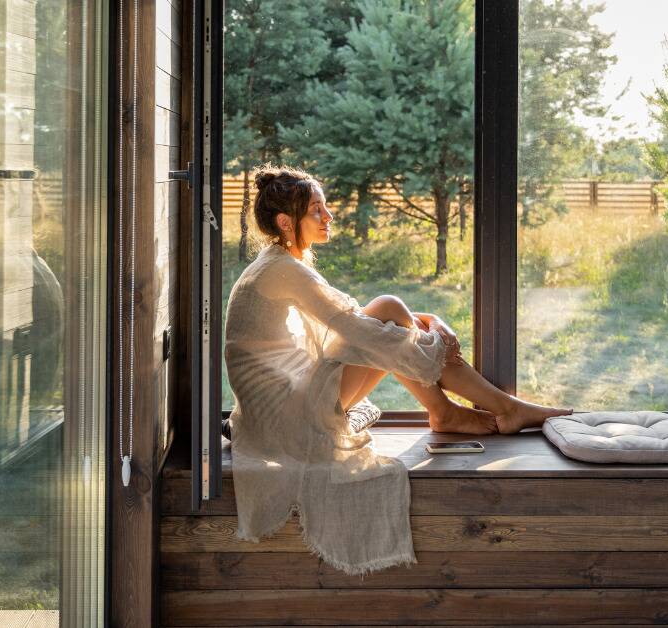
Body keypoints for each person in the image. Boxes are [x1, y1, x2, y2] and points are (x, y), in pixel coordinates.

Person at [222, 164, 572, 574]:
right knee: (388, 312)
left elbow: (353, 318)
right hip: (289, 421)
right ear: (286, 222)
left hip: (282, 411)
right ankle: (494, 409)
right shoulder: (282, 269)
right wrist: (431, 334)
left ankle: (462, 410)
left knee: (388, 314)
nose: (328, 216)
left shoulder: (277, 263)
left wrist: (427, 323)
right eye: (317, 210)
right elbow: (358, 325)